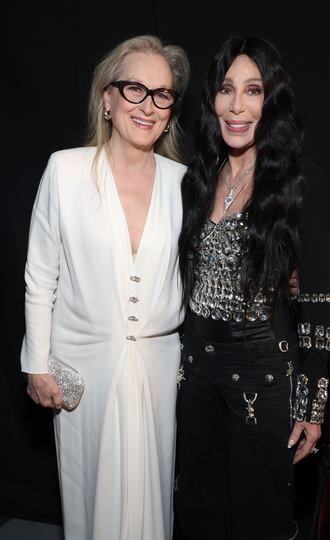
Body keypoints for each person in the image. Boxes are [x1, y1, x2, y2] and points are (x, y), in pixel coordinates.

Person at [20, 34, 190, 540]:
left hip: (159, 368)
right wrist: (36, 360)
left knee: (153, 498)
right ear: (107, 97)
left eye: (161, 94)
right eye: (134, 89)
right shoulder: (66, 170)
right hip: (83, 369)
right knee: (90, 497)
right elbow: (40, 274)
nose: (148, 105)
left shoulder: (185, 181)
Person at [174, 35, 330, 540]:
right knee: (198, 514)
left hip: (263, 373)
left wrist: (312, 404)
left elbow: (319, 301)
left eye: (253, 90)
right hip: (197, 367)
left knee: (258, 518)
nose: (237, 106)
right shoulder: (197, 179)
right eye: (227, 90)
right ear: (213, 99)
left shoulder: (298, 183)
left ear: (273, 101)